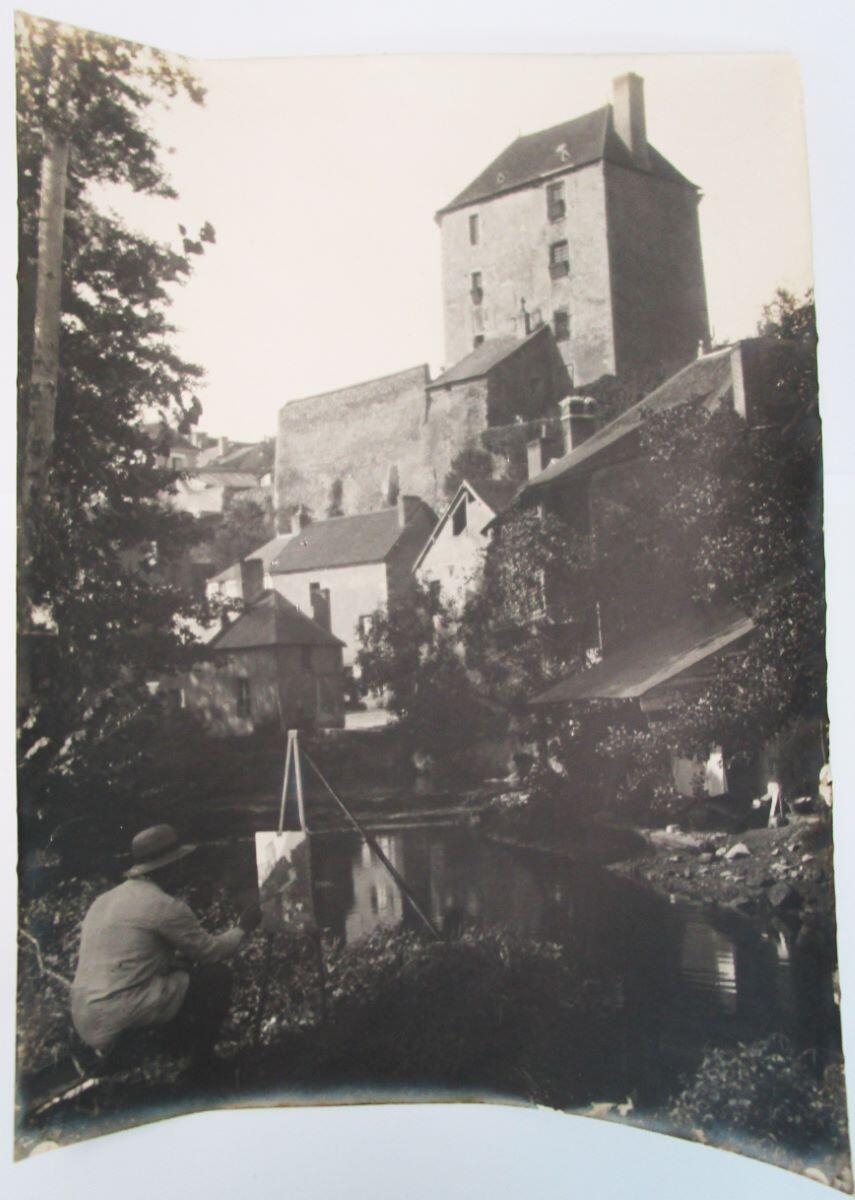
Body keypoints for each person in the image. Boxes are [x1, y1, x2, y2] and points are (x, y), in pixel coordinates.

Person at [70, 824, 259, 1079]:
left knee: (182, 975)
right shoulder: (163, 906)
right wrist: (243, 928)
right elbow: (211, 952)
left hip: (85, 1016)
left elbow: (135, 958)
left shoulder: (103, 901)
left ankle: (158, 1050)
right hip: (121, 1012)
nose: (184, 869)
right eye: (179, 863)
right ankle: (202, 1066)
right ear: (167, 868)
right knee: (215, 977)